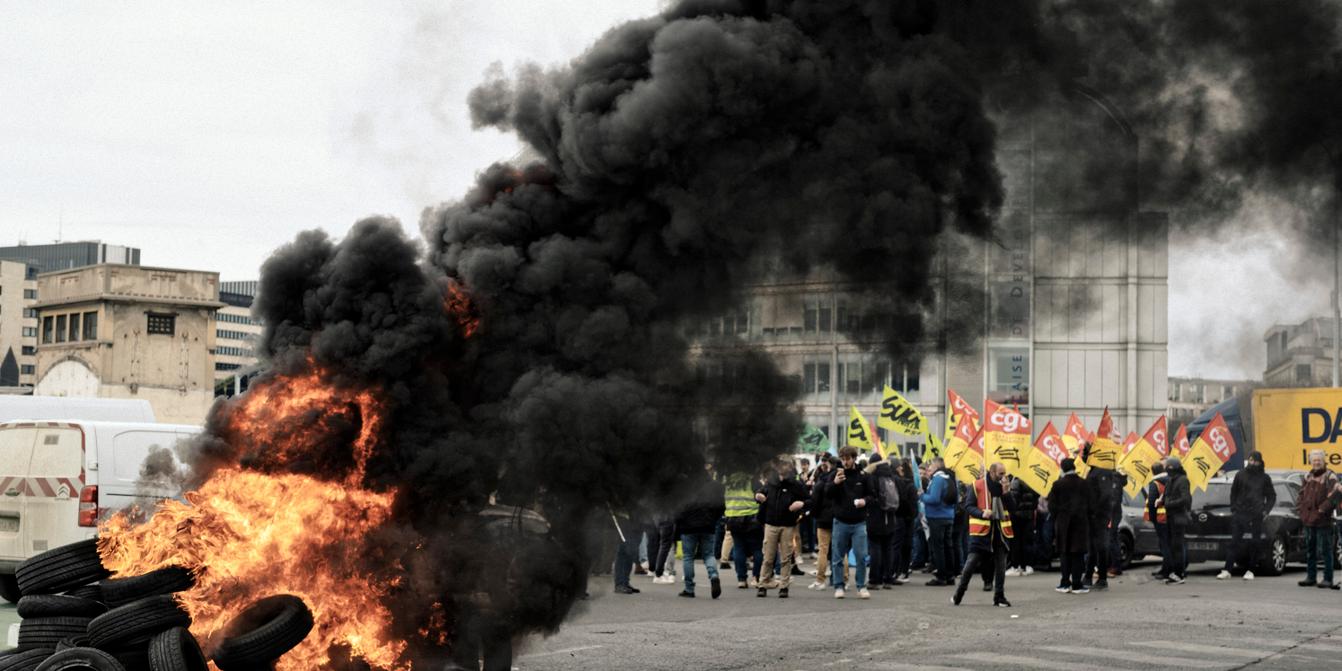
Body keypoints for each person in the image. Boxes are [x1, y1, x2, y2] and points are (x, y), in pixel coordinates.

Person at [954, 462, 1015, 607]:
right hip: (982, 533)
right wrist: (982, 513)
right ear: (992, 473)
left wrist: (1007, 493)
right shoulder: (977, 485)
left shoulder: (1005, 486)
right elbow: (968, 506)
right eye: (1001, 474)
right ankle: (959, 594)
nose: (1003, 477)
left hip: (1000, 533)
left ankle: (999, 597)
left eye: (1004, 473)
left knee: (1000, 567)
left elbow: (1013, 508)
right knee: (970, 565)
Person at [755, 457, 809, 598]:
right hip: (771, 523)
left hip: (788, 525)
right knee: (768, 556)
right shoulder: (771, 482)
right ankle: (763, 584)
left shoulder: (796, 484)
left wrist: (801, 505)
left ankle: (784, 586)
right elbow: (761, 493)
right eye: (779, 464)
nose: (781, 467)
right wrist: (758, 496)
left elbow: (809, 500)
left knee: (786, 558)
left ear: (790, 466)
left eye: (784, 464)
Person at [1218, 451, 1276, 580]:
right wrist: (1234, 508)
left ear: (1260, 462)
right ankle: (1227, 569)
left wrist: (1265, 511)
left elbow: (1271, 496)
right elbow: (1233, 493)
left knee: (1255, 542)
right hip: (1240, 513)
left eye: (1255, 461)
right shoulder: (1240, 475)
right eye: (1251, 460)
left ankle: (1251, 570)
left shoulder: (1264, 478)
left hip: (1256, 514)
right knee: (1234, 542)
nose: (1253, 463)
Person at [828, 445, 875, 599]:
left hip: (859, 522)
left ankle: (861, 586)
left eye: (847, 459)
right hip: (840, 521)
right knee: (837, 556)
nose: (845, 462)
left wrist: (864, 501)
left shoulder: (863, 475)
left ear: (854, 458)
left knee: (861, 556)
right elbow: (826, 493)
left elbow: (873, 496)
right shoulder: (836, 474)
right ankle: (839, 586)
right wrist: (835, 483)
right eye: (842, 459)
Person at [675, 471, 726, 598]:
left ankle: (689, 588)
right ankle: (713, 576)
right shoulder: (715, 486)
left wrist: (680, 522)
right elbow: (721, 506)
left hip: (688, 527)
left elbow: (678, 507)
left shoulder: (685, 486)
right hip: (708, 525)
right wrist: (713, 520)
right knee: (709, 555)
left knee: (688, 557)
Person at [1297, 449, 1340, 589]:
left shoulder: (1330, 476)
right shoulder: (1307, 477)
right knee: (1310, 550)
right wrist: (1302, 512)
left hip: (1324, 521)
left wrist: (1321, 510)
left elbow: (1336, 495)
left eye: (1319, 460)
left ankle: (1328, 578)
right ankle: (1311, 577)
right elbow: (1300, 496)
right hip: (1308, 521)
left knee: (1325, 550)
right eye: (1314, 460)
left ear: (1323, 461)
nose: (1316, 462)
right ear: (1310, 461)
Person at [1048, 457, 1090, 594]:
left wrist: (1057, 518)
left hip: (1063, 523)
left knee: (1064, 553)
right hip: (1080, 524)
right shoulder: (1084, 484)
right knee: (1077, 553)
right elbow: (1091, 504)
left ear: (1062, 468)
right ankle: (1077, 584)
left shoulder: (1058, 484)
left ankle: (1065, 583)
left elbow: (1052, 507)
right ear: (1074, 467)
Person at [1083, 446, 1122, 590]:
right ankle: (1089, 576)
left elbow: (1105, 495)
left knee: (1100, 547)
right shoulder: (1095, 471)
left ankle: (1101, 578)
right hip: (1095, 515)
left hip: (1098, 516)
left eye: (1085, 454)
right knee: (1093, 547)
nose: (1083, 457)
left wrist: (1094, 511)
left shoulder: (1101, 472)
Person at [723, 470, 765, 589]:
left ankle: (741, 579)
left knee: (738, 548)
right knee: (757, 549)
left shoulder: (728, 482)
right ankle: (756, 577)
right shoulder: (753, 481)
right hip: (752, 518)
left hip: (733, 518)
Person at [920, 457, 957, 586]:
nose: (928, 471)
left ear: (936, 467)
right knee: (948, 546)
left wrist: (921, 495)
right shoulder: (950, 478)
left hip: (937, 516)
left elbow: (934, 499)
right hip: (948, 516)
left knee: (938, 547)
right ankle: (950, 575)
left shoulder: (938, 479)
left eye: (930, 468)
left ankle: (941, 576)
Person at [865, 454, 897, 589]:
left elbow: (869, 497)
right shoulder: (891, 476)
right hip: (890, 517)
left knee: (875, 548)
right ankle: (888, 579)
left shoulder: (872, 477)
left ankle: (874, 580)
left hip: (875, 517)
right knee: (888, 548)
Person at [1162, 456, 1192, 585]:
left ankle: (1180, 574)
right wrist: (1161, 501)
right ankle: (1174, 572)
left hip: (1178, 518)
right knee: (1172, 546)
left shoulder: (1183, 480)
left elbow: (1185, 499)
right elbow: (1167, 496)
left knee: (1177, 547)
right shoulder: (1171, 480)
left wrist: (1169, 504)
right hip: (1170, 517)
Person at [891, 457, 920, 584]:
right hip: (908, 518)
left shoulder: (897, 482)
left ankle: (895, 571)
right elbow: (914, 504)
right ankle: (904, 571)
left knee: (897, 545)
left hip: (899, 517)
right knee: (906, 546)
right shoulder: (911, 485)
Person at [1007, 473, 1038, 576]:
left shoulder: (1015, 482)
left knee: (1015, 541)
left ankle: (1016, 566)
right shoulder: (1032, 481)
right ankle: (1028, 565)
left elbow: (1013, 501)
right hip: (1029, 515)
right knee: (1027, 541)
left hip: (1017, 516)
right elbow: (1035, 499)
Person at [1145, 460, 1172, 581]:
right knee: (1169, 544)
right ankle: (1167, 569)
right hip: (1170, 518)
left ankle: (1165, 571)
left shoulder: (1154, 483)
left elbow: (1151, 503)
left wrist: (1152, 518)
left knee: (1164, 545)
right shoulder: (1170, 480)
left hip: (1160, 519)